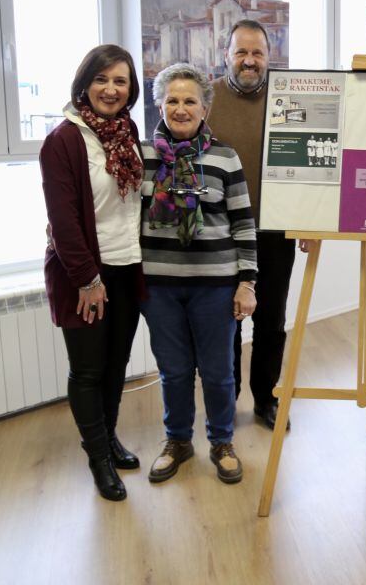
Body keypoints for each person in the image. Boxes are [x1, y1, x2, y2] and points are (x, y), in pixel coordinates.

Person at [140, 63, 257, 485]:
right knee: (173, 371)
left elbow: (244, 223)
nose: (181, 108)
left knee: (218, 373)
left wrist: (246, 283)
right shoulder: (143, 157)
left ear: (205, 107)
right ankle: (177, 441)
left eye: (190, 100)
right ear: (159, 105)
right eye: (172, 100)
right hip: (159, 288)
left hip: (215, 286)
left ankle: (222, 442)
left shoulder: (224, 157)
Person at [39, 44, 146, 501]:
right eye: (102, 79)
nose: (110, 89)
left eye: (120, 81)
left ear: (131, 90)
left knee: (116, 364)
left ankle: (109, 436)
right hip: (84, 273)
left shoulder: (128, 131)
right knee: (87, 370)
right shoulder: (63, 140)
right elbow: (63, 221)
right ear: (85, 84)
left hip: (128, 266)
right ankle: (98, 458)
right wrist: (87, 279)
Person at [206, 19, 300, 431]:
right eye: (241, 52)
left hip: (275, 230)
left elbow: (310, 163)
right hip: (220, 232)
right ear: (225, 55)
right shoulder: (206, 98)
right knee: (225, 320)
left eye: (257, 53)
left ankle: (266, 398)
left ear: (269, 57)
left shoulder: (289, 99)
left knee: (271, 321)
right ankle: (227, 400)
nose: (249, 60)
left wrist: (310, 222)